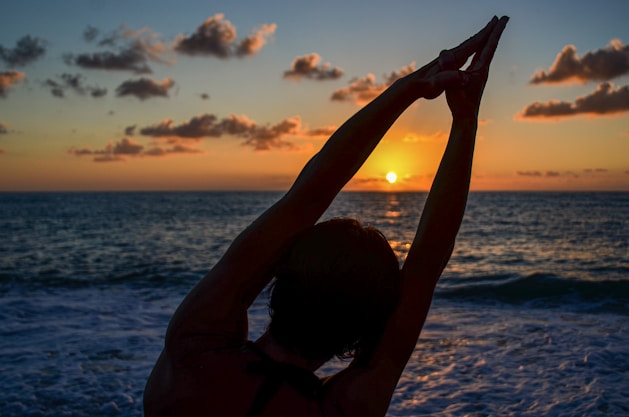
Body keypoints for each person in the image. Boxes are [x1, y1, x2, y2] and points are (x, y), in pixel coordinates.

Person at [144, 15, 509, 417]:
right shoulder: (342, 411)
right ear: (360, 336)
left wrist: (411, 88)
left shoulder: (192, 349)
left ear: (278, 275)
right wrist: (465, 121)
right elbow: (425, 264)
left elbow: (307, 197)